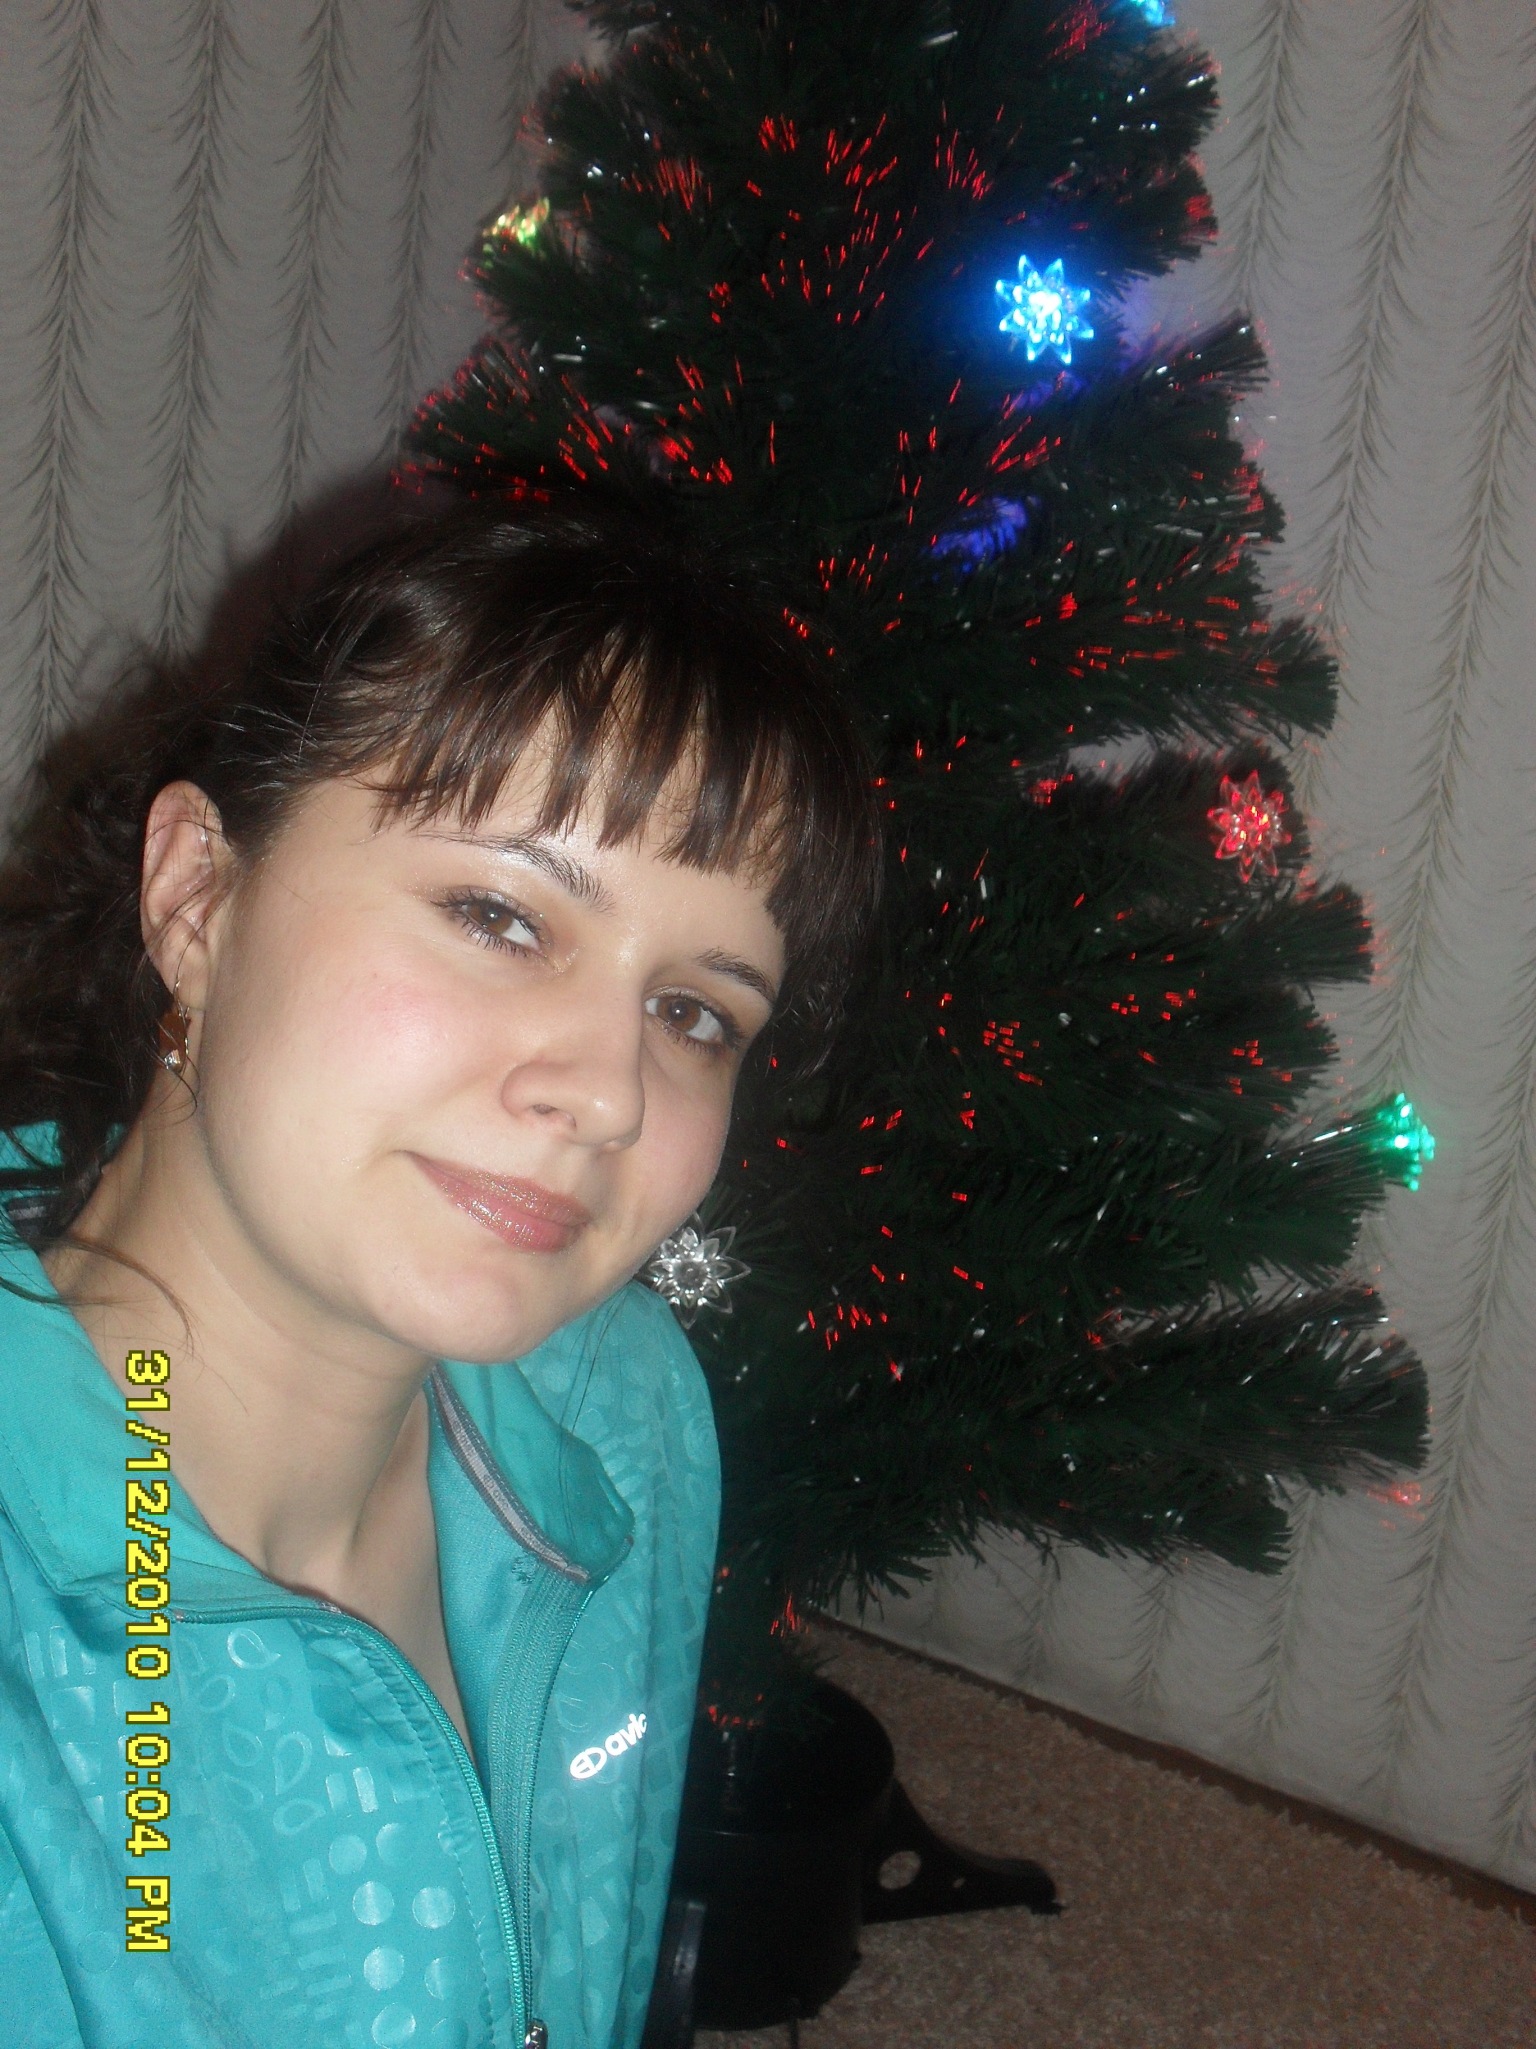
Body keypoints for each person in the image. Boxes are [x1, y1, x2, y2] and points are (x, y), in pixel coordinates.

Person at [0, 501, 879, 2049]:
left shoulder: (623, 1409)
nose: (607, 1092)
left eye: (695, 1012)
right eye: (499, 914)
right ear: (197, 895)